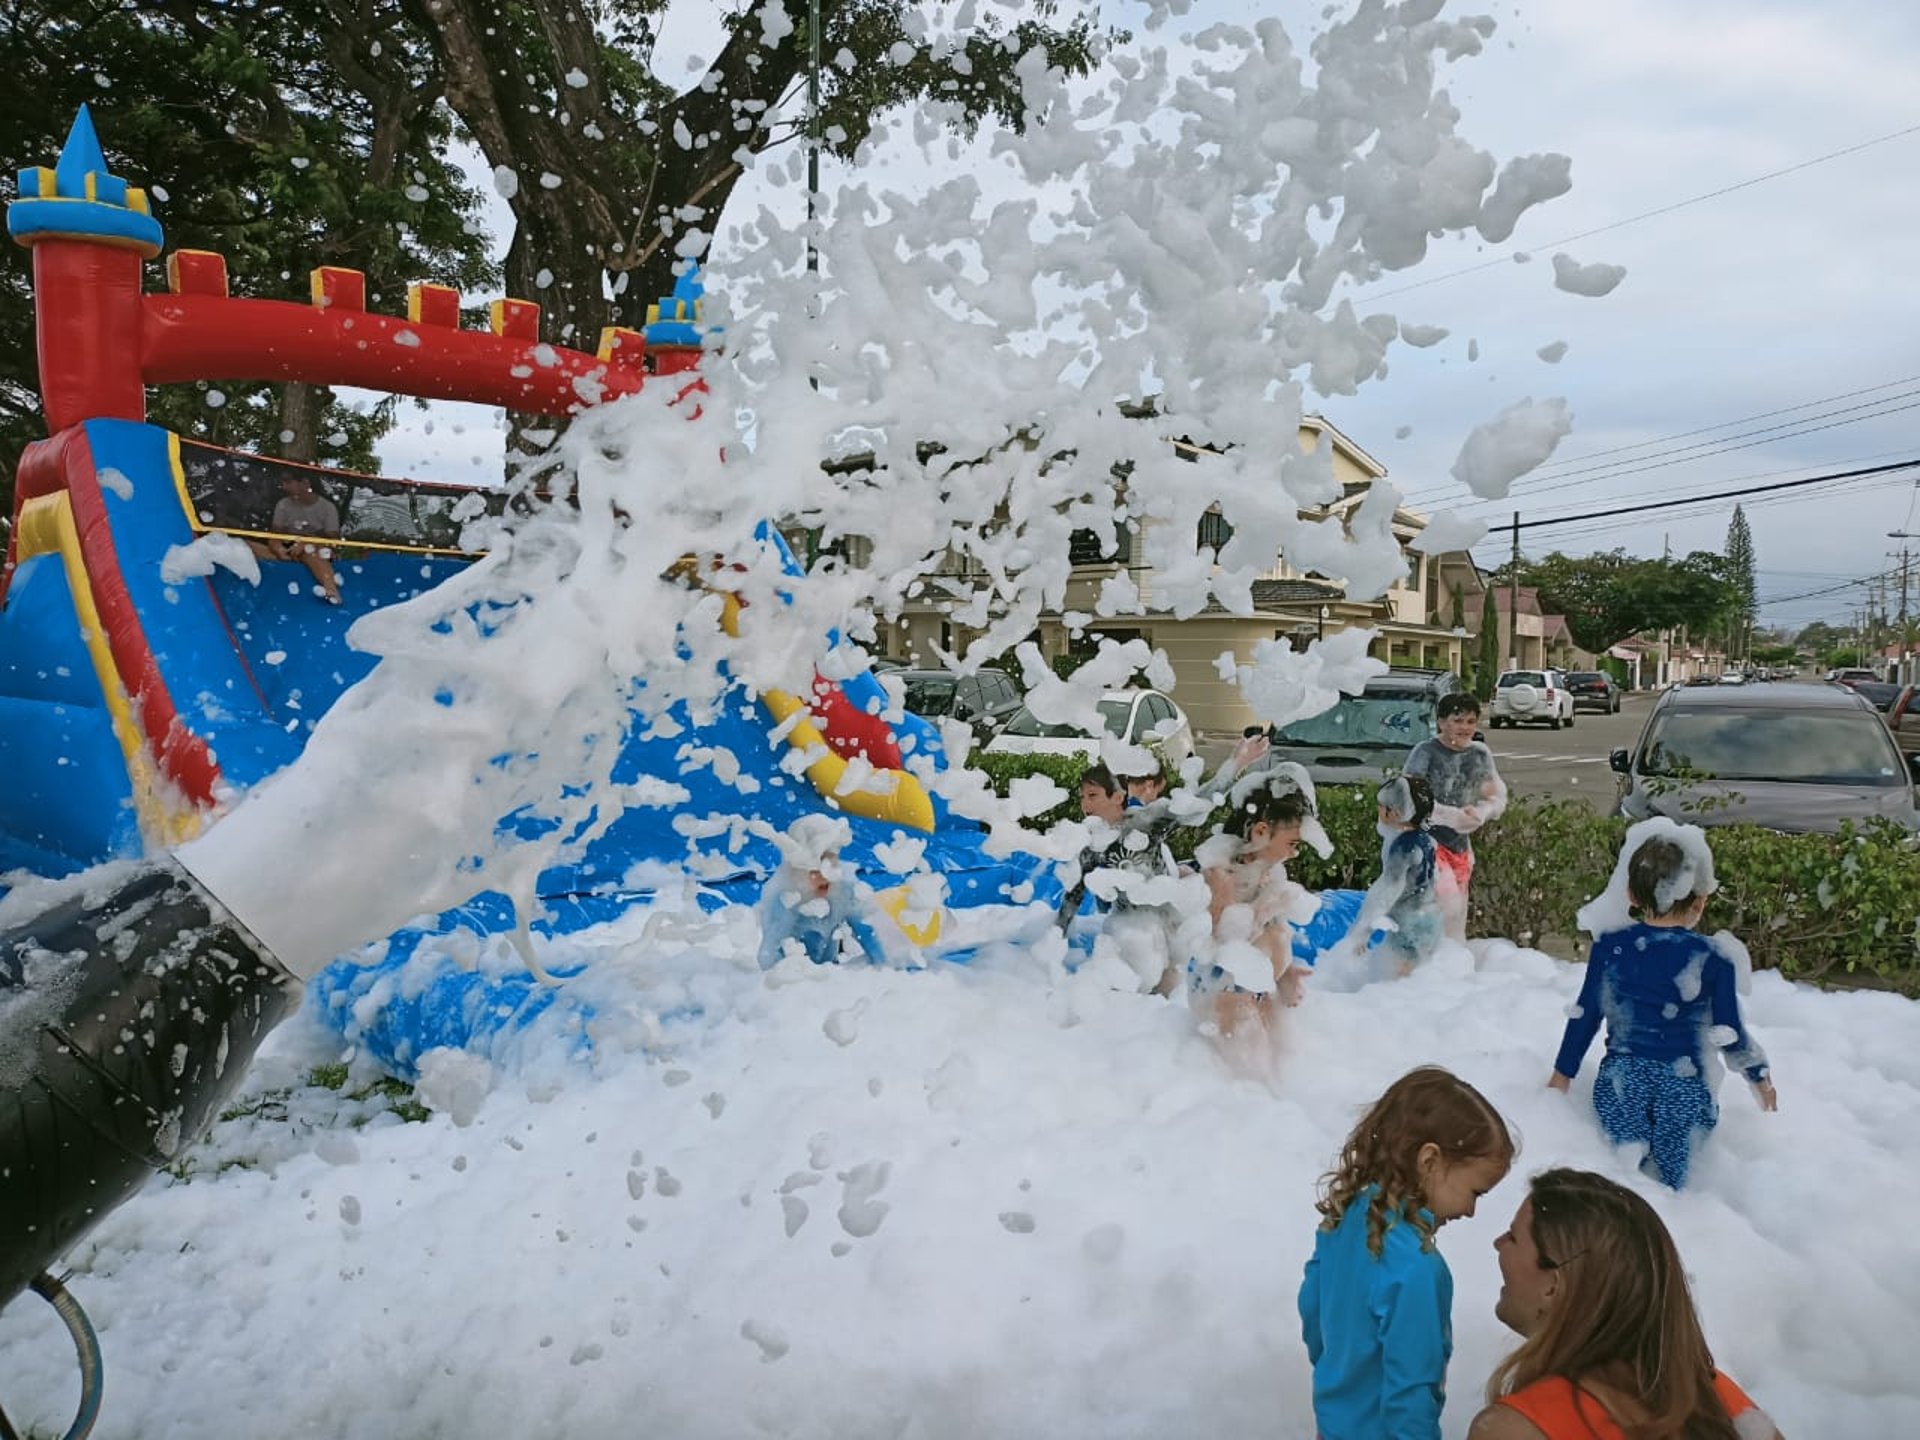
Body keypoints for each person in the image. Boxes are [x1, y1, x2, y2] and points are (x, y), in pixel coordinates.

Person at [1468, 1168, 1785, 1439]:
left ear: (1554, 1286)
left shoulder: (1516, 1429)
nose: (1498, 1243)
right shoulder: (1719, 1403)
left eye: (1513, 1237)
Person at [1548, 832, 1776, 1190]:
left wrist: (1562, 1075)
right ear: (1700, 901)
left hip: (1622, 1081)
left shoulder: (1611, 946)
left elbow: (1586, 1013)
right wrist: (1758, 1077)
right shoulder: (1713, 957)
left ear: (1631, 895)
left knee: (1623, 1169)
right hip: (1685, 1086)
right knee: (1671, 1178)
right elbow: (1729, 1031)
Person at [1300, 1066, 1517, 1440]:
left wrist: (1337, 1378)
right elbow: (1411, 1391)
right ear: (1429, 1161)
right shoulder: (1417, 1269)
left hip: (1332, 1423)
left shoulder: (1345, 1216)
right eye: (1475, 1193)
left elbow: (1312, 1309)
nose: (1470, 1211)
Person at [1190, 767, 1322, 1036]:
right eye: (1292, 843)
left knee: (1282, 1051)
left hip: (1252, 986)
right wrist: (1267, 906)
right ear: (1261, 831)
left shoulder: (1271, 870)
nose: (1294, 853)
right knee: (1247, 1060)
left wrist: (1286, 973)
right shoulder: (1222, 874)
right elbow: (1222, 944)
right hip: (1220, 991)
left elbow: (1271, 933)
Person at [1402, 693, 1506, 941]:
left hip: (1460, 845)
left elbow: (1495, 797)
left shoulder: (1479, 754)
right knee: (1443, 901)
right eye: (1458, 721)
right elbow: (1410, 798)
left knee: (1457, 913)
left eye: (1471, 721)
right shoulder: (1425, 752)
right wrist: (1451, 816)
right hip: (1425, 840)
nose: (1465, 728)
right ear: (1441, 722)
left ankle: (1454, 958)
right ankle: (1421, 956)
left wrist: (1481, 813)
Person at [757, 814, 890, 969]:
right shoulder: (786, 900)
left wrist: (885, 967)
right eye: (814, 871)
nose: (825, 877)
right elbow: (769, 955)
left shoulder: (844, 892)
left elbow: (868, 934)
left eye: (830, 867)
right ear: (796, 873)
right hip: (795, 974)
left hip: (828, 972)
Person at [1352, 773, 1442, 976]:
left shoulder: (1403, 847)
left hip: (1409, 925)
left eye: (1382, 806)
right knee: (1415, 979)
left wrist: (1364, 929)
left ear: (1395, 813)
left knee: (1400, 980)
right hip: (1429, 919)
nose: (1378, 810)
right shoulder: (1424, 839)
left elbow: (1389, 888)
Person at [249, 471, 343, 603]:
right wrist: (278, 548)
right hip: (289, 552)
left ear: (305, 483)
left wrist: (306, 544)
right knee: (246, 545)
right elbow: (274, 536)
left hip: (317, 553)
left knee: (312, 553)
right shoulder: (283, 504)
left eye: (288, 482)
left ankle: (331, 591)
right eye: (283, 483)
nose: (284, 487)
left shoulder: (327, 508)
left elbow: (332, 542)